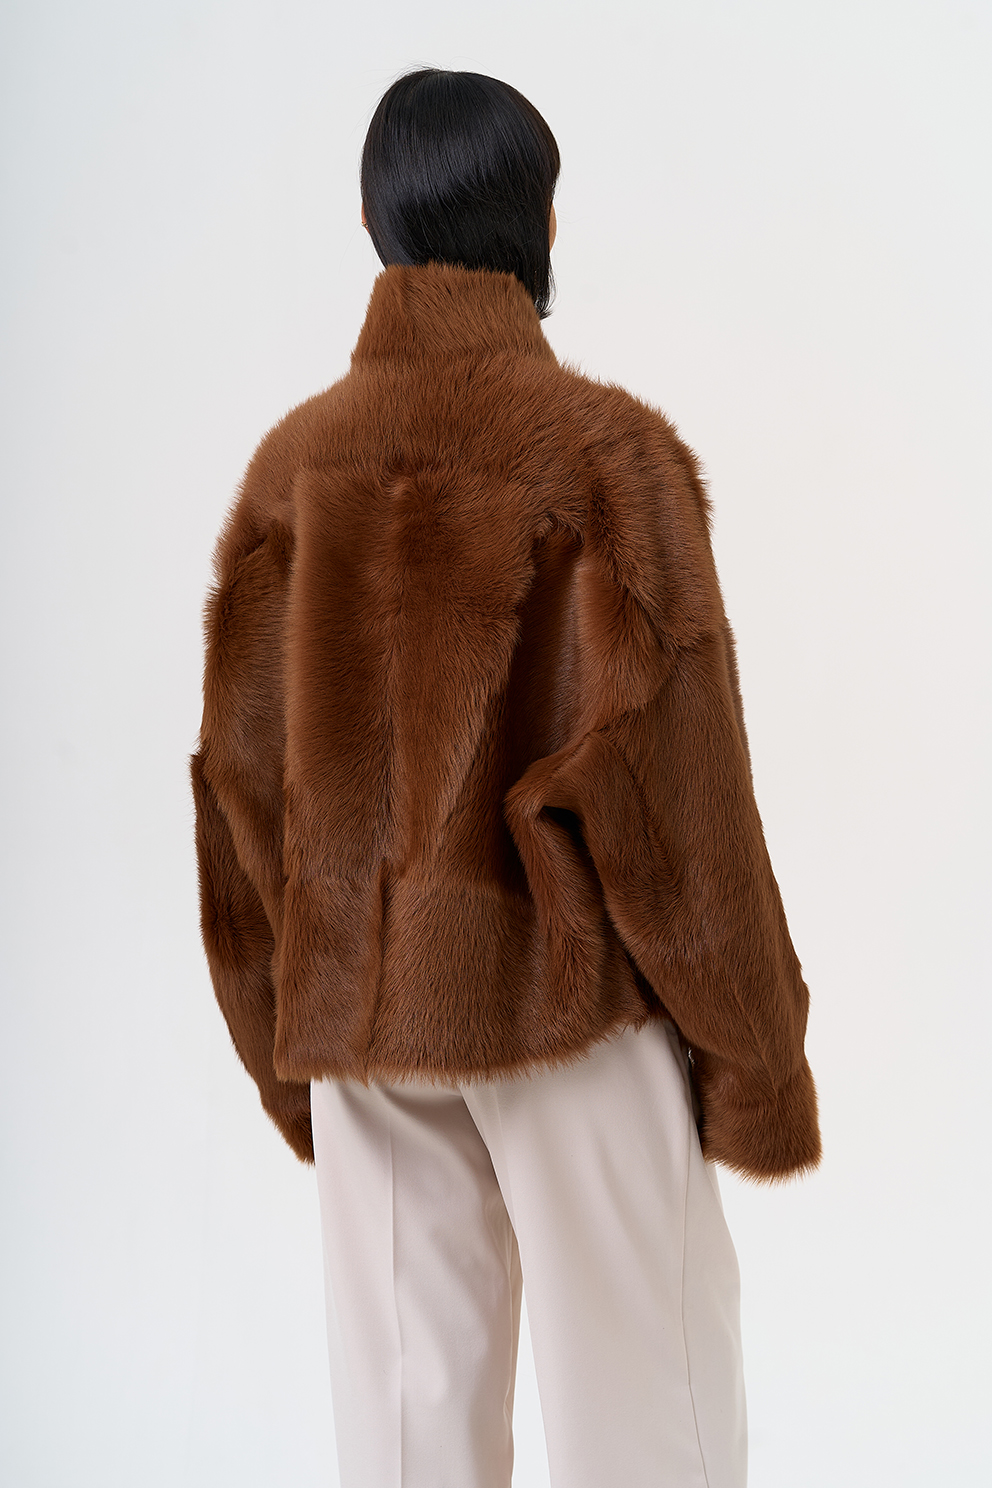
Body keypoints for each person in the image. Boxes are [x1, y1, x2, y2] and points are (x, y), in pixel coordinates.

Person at [191, 67, 821, 1488]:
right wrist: (759, 1062)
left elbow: (239, 800)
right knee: (651, 1422)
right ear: (538, 218)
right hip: (563, 1007)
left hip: (366, 1025)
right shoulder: (606, 456)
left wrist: (292, 1046)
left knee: (408, 1445)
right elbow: (686, 801)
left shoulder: (290, 473)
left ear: (375, 222)